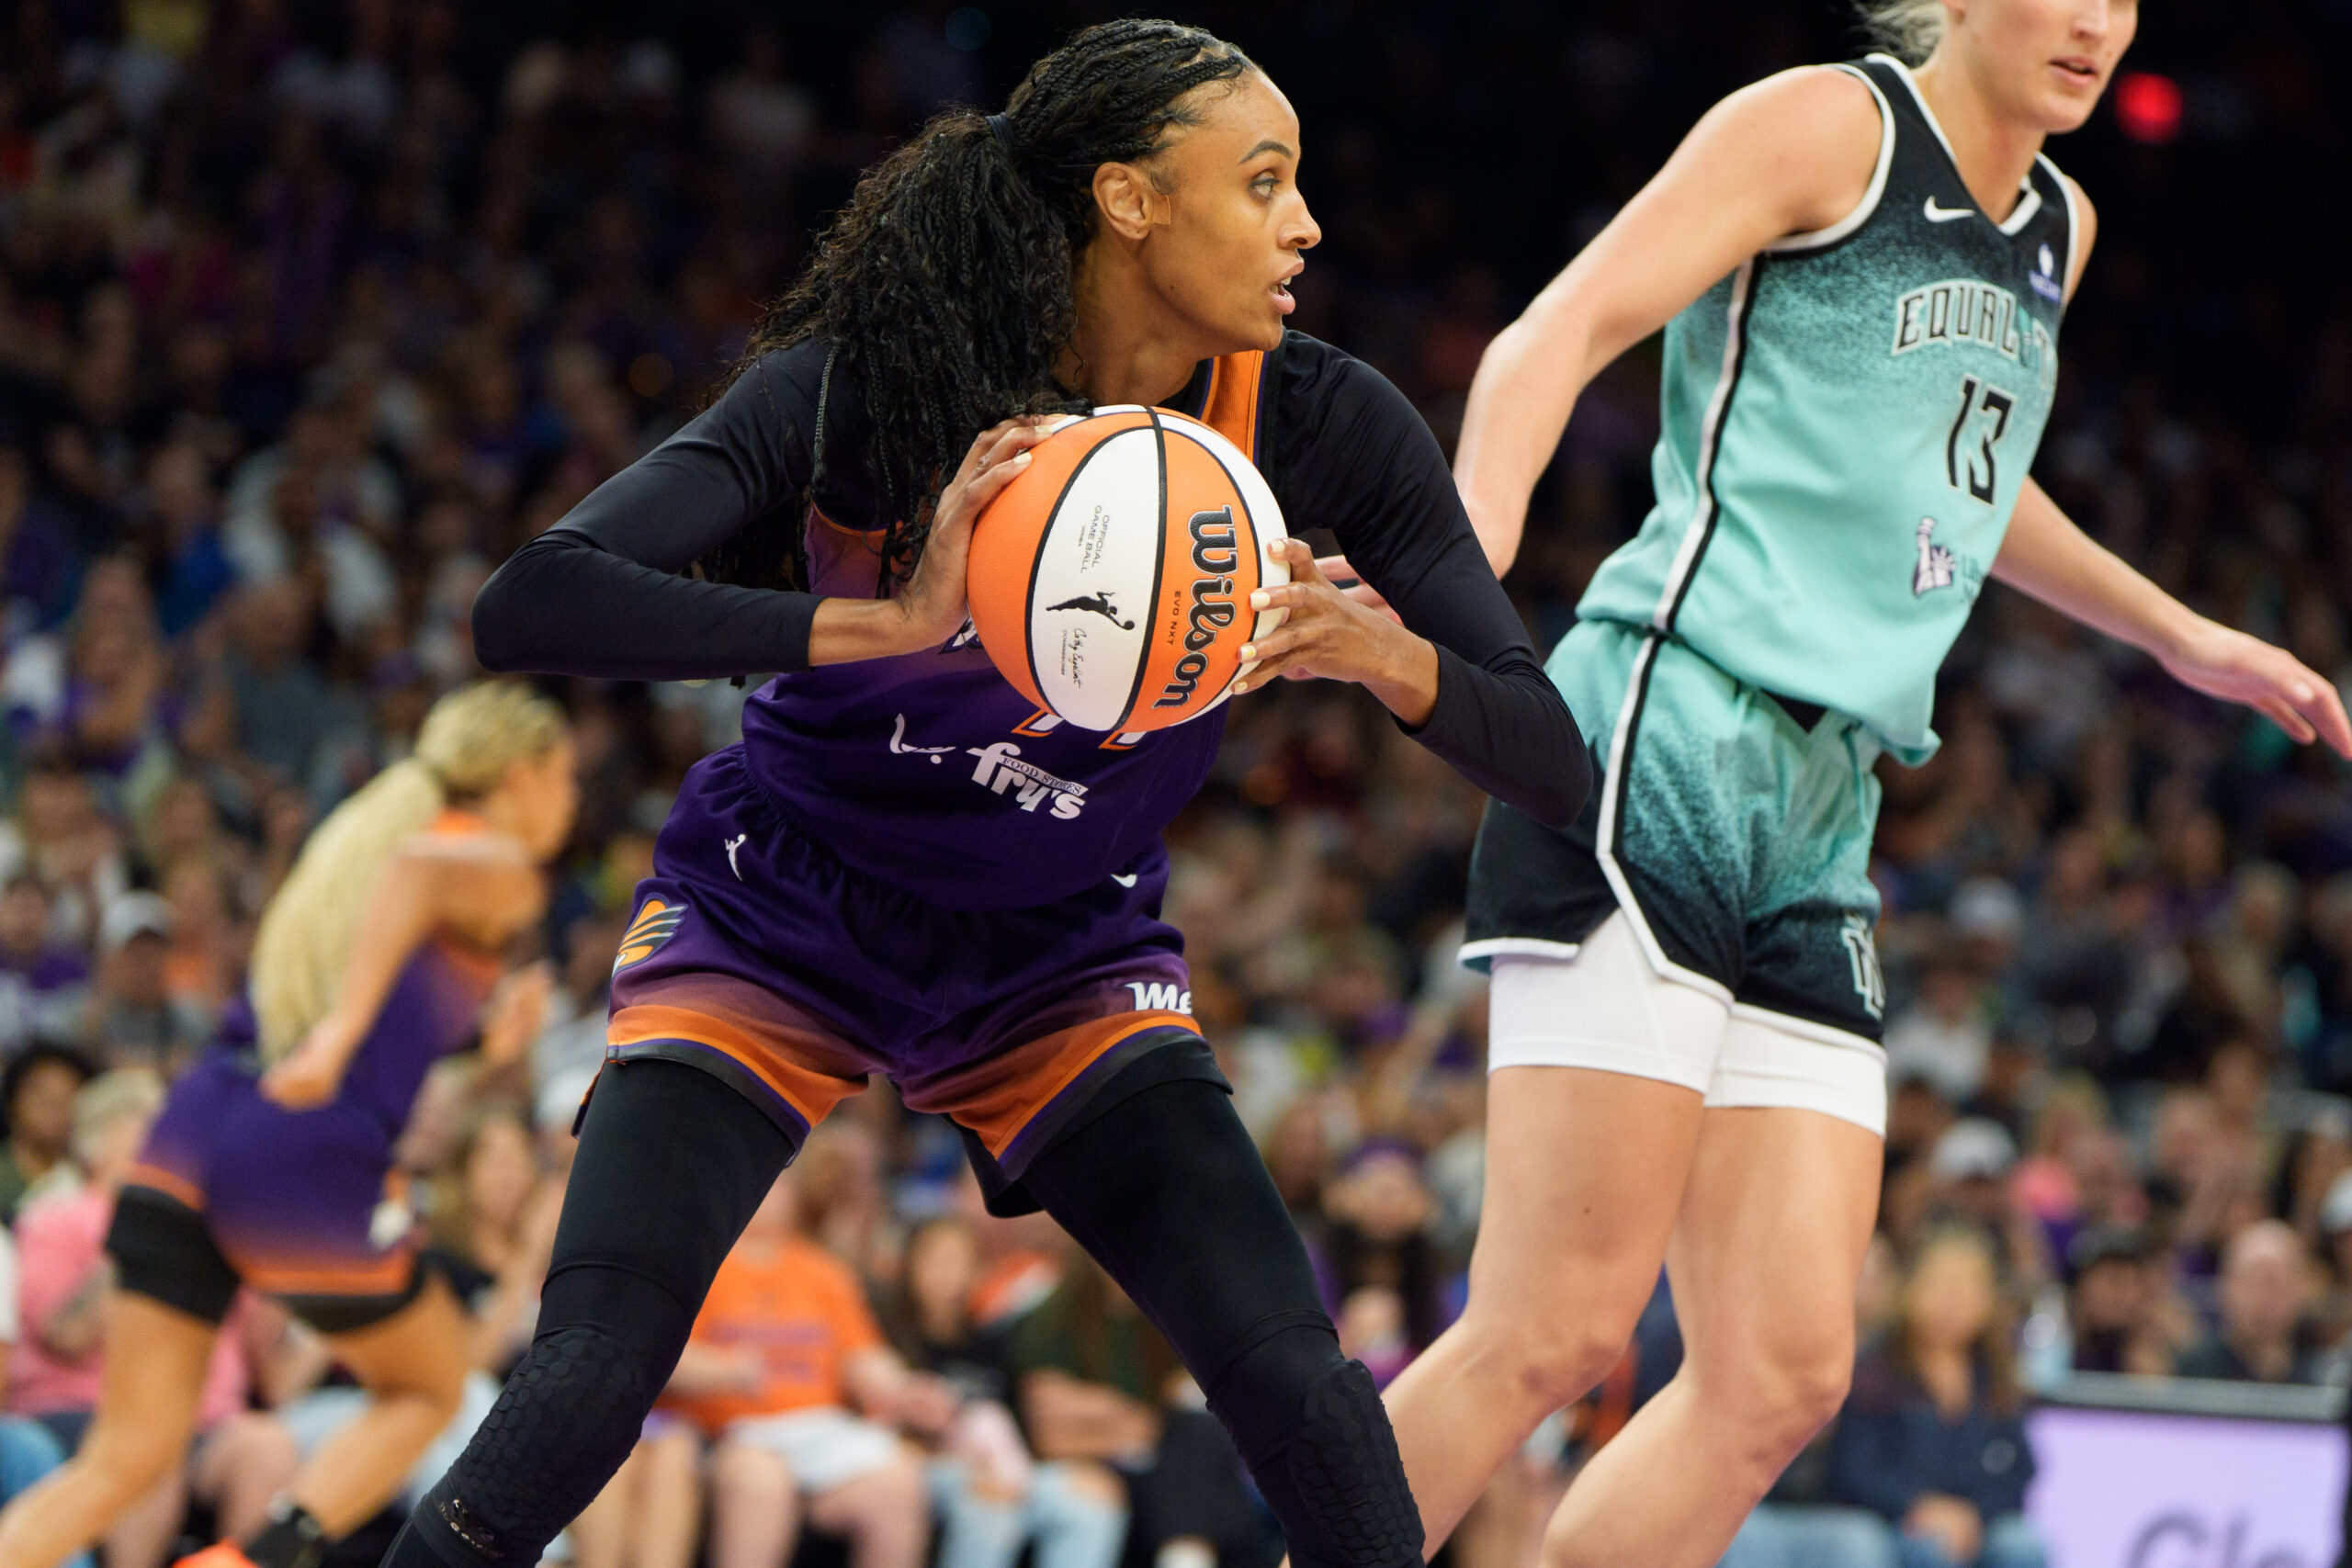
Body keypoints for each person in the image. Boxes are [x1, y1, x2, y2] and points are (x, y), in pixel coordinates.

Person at [386, 20, 1585, 1568]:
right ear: (1131, 200)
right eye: (1265, 180)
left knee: (1299, 1384)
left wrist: (1388, 658)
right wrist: (877, 622)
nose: (1308, 225)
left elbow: (1551, 763)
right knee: (595, 1369)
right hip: (785, 901)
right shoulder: (870, 389)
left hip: (1056, 947)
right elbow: (531, 600)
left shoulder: (1322, 422)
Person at [1374, 2, 2352, 1565]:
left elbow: (1960, 470)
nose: (2098, 20)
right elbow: (1552, 333)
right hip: (1670, 726)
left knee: (1780, 1371)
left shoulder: (2059, 223)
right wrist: (1467, 576)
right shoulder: (1830, 127)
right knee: (1552, 1328)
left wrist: (2181, 633)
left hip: (1830, 801)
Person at [0, 682, 577, 1568]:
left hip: (198, 1120)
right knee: (431, 1384)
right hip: (300, 1145)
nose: (574, 798)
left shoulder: (359, 847)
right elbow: (415, 879)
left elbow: (383, 1013)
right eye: (565, 773)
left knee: (126, 1456)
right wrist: (345, 1027)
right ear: (520, 773)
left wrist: (487, 1041)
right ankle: (251, 1560)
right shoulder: (493, 860)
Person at [655, 1168, 942, 1568]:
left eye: (781, 1181)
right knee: (761, 1482)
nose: (770, 1191)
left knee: (900, 1480)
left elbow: (863, 1356)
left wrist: (902, 1389)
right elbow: (661, 1357)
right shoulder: (697, 1265)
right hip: (731, 1434)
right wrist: (726, 1370)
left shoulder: (822, 1270)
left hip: (818, 1431)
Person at [1827, 1231, 2043, 1568]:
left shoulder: (1995, 1378)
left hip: (1977, 1523)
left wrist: (1974, 1515)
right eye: (1941, 1287)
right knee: (1927, 1549)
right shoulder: (1875, 1371)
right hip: (1897, 1522)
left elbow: (2020, 1471)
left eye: (1966, 1290)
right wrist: (1919, 1507)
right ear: (1911, 1289)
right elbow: (1855, 1468)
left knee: (2021, 1545)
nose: (1952, 1303)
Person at [0, 1046, 95, 1224]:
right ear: (12, 1101)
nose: (53, 1109)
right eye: (42, 1097)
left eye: (67, 1099)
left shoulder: (89, 1179)